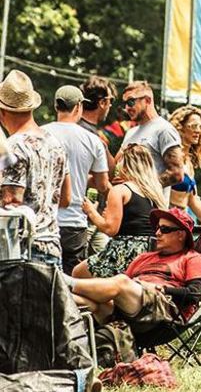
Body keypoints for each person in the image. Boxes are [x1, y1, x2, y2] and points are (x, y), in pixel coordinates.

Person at [67, 207, 201, 342]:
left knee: (122, 281)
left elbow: (194, 295)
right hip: (130, 310)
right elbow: (120, 290)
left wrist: (162, 289)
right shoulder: (143, 258)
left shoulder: (193, 258)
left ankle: (66, 282)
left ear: (181, 234)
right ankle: (57, 287)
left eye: (165, 229)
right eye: (157, 228)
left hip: (164, 312)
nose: (157, 233)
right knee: (84, 302)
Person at [0, 70, 71, 264]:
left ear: (3, 112)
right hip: (53, 247)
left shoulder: (13, 146)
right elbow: (66, 198)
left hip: (21, 251)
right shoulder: (55, 144)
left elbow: (12, 202)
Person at [44, 84, 111, 271]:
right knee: (72, 283)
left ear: (56, 106)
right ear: (79, 106)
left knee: (41, 282)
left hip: (44, 220)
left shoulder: (41, 133)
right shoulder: (93, 140)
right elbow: (103, 185)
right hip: (74, 222)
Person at [79, 145, 166, 278]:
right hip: (151, 253)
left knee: (78, 273)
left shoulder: (120, 190)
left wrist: (90, 210)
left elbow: (110, 229)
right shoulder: (155, 191)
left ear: (125, 166)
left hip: (125, 252)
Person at [119, 81, 185, 187]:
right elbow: (116, 168)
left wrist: (139, 189)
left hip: (152, 203)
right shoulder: (130, 132)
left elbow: (176, 174)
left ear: (148, 100)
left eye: (131, 102)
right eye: (124, 103)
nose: (127, 108)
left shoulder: (164, 130)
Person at [167, 105, 201, 224]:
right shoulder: (168, 158)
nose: (198, 130)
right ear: (180, 128)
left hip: (184, 223)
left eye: (200, 126)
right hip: (167, 223)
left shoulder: (188, 162)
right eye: (193, 126)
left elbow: (192, 200)